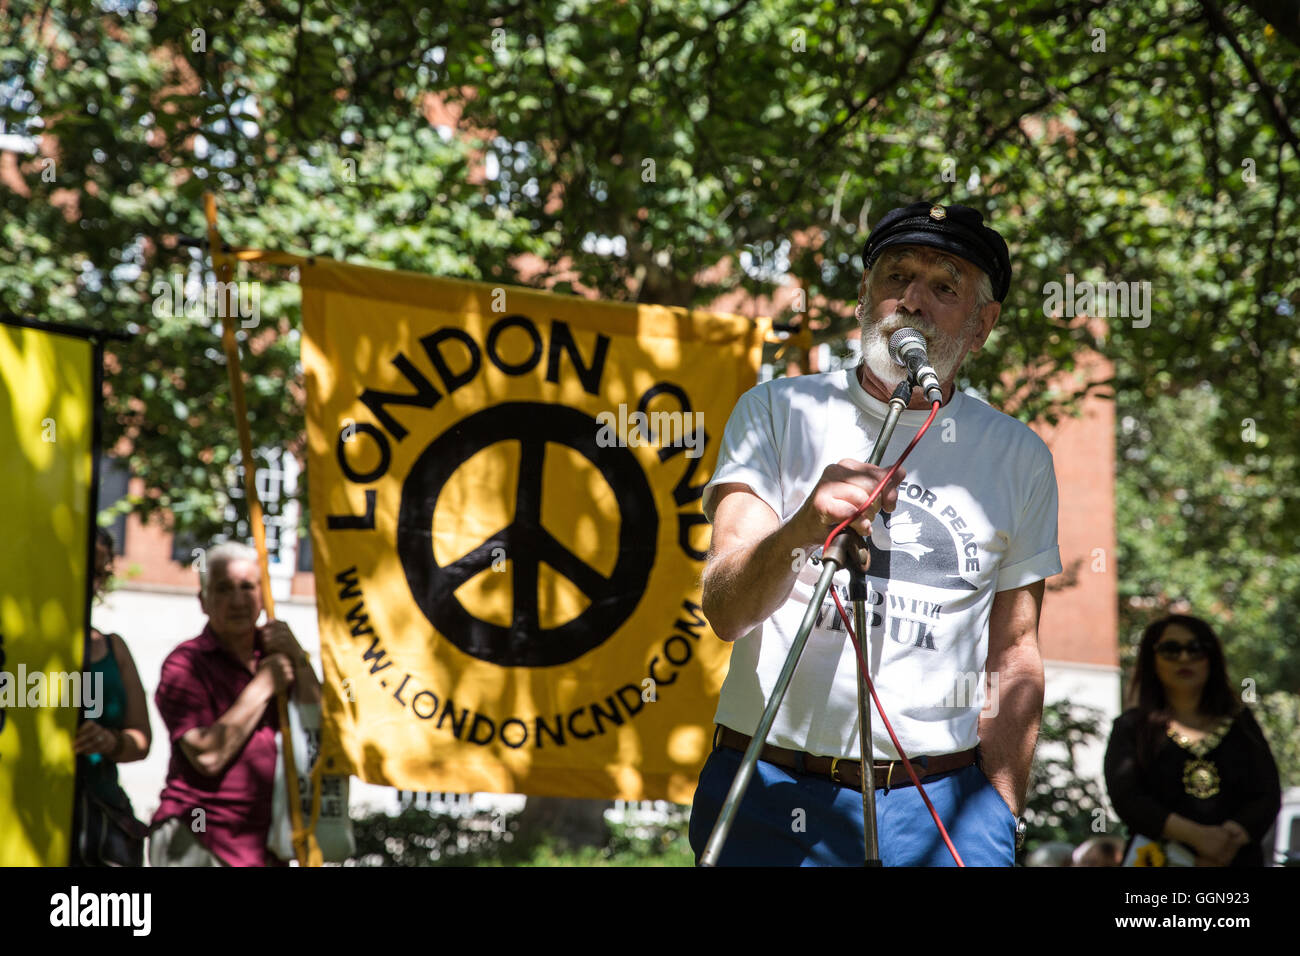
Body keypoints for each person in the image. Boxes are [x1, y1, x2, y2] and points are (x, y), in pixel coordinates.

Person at [689, 201, 1062, 866]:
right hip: (773, 790)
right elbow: (724, 608)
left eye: (944, 288)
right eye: (896, 278)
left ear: (981, 326)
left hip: (940, 801)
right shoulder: (779, 409)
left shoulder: (1019, 455)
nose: (911, 301)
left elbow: (1016, 653)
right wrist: (805, 524)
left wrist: (1001, 813)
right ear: (864, 296)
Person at [149, 542, 320, 866]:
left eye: (247, 587)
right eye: (224, 589)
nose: (238, 600)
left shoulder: (279, 654)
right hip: (199, 840)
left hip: (269, 845)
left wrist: (299, 660)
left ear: (262, 594)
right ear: (203, 601)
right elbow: (208, 755)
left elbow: (324, 729)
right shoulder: (185, 664)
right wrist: (263, 686)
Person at [1103, 614, 1281, 866]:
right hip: (1157, 858)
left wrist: (1226, 842)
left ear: (1212, 658)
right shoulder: (1131, 727)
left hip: (1235, 860)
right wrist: (1197, 838)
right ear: (1151, 659)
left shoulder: (1241, 723)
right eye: (1171, 649)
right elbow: (1127, 798)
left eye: (1196, 649)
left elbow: (1268, 793)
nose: (1184, 658)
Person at [70, 528, 152, 865]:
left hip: (99, 820)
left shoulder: (114, 647)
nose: (90, 584)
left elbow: (141, 740)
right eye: (82, 568)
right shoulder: (16, 646)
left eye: (98, 574)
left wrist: (109, 741)